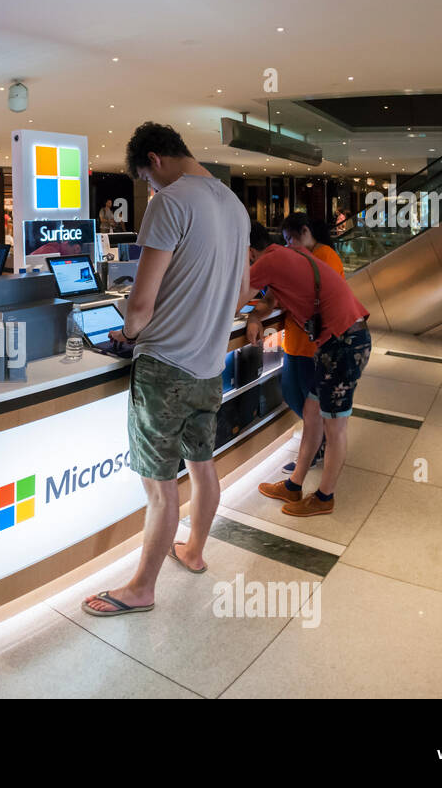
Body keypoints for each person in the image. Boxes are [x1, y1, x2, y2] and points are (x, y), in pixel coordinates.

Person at [81, 122, 250, 618]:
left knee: (158, 486)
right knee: (201, 465)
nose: (148, 190)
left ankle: (141, 588)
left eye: (145, 180)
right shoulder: (235, 207)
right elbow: (241, 294)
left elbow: (140, 305)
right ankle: (194, 551)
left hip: (164, 368)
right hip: (207, 367)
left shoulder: (170, 203)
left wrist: (127, 337)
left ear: (154, 159)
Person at [246, 231, 372, 517]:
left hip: (344, 343)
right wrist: (255, 316)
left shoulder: (269, 261)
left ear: (249, 251)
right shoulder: (290, 254)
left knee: (335, 427)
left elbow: (235, 296)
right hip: (340, 342)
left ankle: (325, 497)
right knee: (312, 413)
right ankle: (294, 485)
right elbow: (269, 301)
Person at [274, 213, 345, 475]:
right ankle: (317, 447)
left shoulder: (325, 255)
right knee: (297, 397)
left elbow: (308, 291)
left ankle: (315, 449)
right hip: (298, 343)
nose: (288, 246)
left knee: (306, 403)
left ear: (305, 232)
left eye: (289, 239)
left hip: (312, 346)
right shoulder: (311, 255)